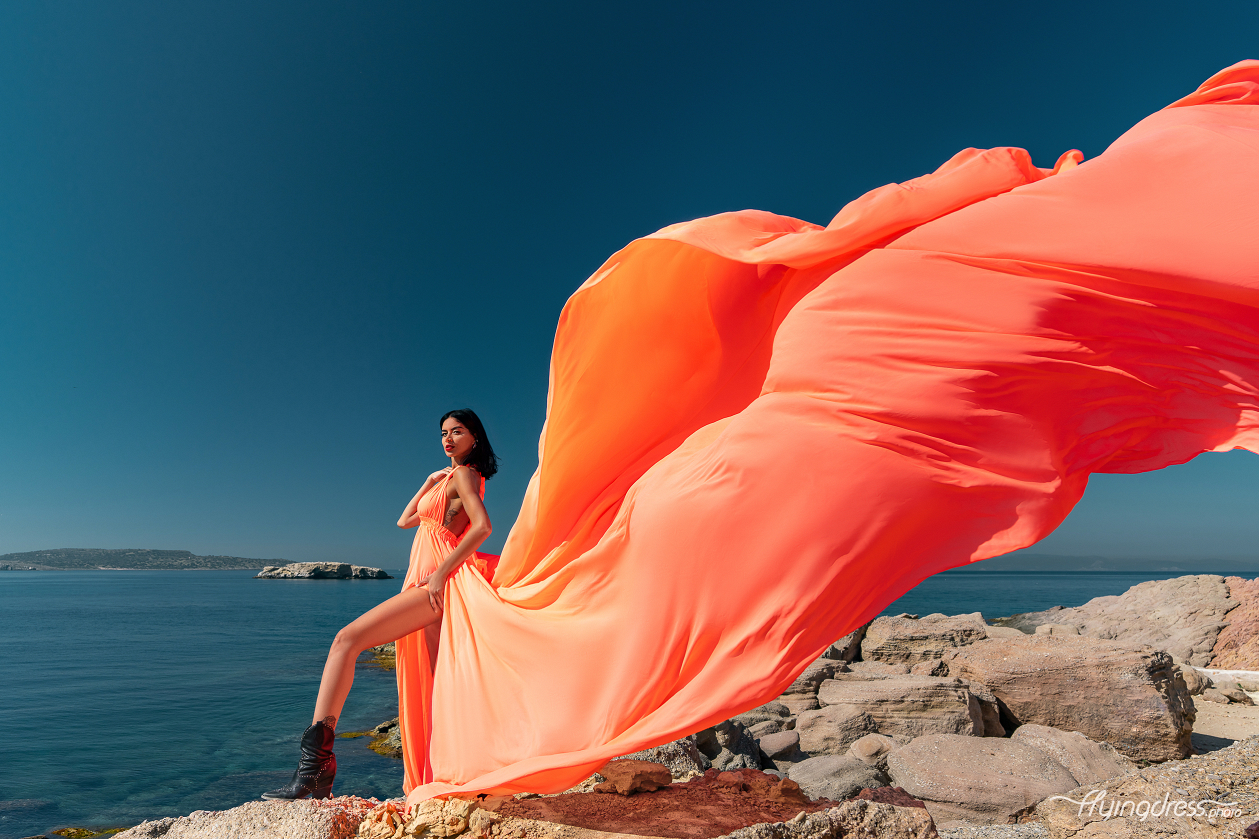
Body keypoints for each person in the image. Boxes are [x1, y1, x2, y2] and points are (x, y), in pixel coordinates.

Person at [262, 408, 497, 800]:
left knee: (346, 640)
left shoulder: (466, 475)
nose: (448, 439)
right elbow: (406, 520)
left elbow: (484, 527)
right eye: (443, 433)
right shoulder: (445, 479)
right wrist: (427, 481)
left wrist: (441, 574)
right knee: (438, 684)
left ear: (475, 437)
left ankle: (315, 767)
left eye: (458, 432)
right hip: (422, 584)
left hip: (435, 585)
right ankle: (454, 774)